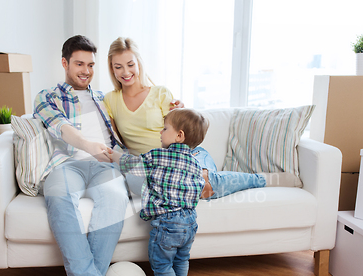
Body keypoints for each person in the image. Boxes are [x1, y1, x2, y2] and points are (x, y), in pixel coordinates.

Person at [104, 37, 300, 199]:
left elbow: (182, 132)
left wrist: (181, 111)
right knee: (195, 184)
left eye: (130, 64)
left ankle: (260, 179)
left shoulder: (160, 93)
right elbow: (113, 139)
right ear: (112, 69)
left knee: (203, 179)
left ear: (138, 64)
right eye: (118, 67)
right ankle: (258, 180)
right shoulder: (110, 100)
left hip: (188, 156)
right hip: (155, 167)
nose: (126, 72)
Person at [33, 35, 128, 276]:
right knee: (59, 199)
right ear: (65, 63)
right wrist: (89, 145)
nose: (86, 70)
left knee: (115, 202)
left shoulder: (104, 97)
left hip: (105, 166)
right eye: (79, 64)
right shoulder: (47, 95)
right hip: (66, 164)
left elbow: (134, 115)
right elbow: (62, 127)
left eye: (90, 65)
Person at [108, 108, 209, 276]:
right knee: (181, 259)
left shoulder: (159, 156)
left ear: (179, 135)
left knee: (161, 263)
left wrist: (114, 156)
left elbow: (134, 164)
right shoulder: (196, 164)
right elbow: (199, 188)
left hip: (168, 222)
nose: (160, 133)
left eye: (165, 129)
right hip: (190, 221)